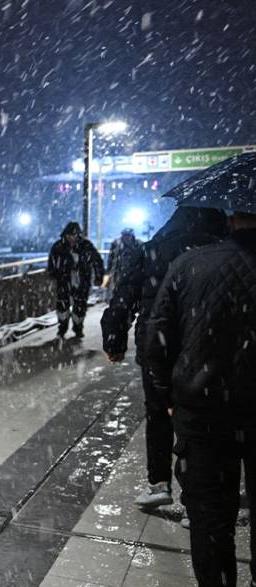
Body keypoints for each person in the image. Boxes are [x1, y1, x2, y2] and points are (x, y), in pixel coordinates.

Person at [145, 209, 256, 587]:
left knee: (210, 521)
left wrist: (170, 401)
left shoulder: (190, 264)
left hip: (204, 418)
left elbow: (154, 342)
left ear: (231, 220)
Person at [100, 208, 227, 509]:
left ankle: (159, 483)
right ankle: (193, 495)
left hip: (157, 346)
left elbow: (123, 297)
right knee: (201, 418)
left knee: (157, 412)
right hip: (203, 345)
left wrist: (114, 339)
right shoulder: (219, 250)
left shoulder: (153, 249)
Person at [47, 222, 104, 338]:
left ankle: (78, 328)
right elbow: (51, 262)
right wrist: (53, 274)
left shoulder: (86, 246)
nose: (71, 238)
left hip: (82, 279)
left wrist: (99, 276)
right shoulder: (58, 246)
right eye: (69, 235)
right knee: (62, 304)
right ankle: (62, 328)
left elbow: (97, 261)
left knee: (80, 304)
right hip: (64, 279)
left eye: (74, 235)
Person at [102, 228, 140, 302]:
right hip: (120, 273)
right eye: (125, 236)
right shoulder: (117, 244)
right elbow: (111, 260)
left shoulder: (137, 244)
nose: (126, 238)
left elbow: (111, 260)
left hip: (130, 273)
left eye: (128, 236)